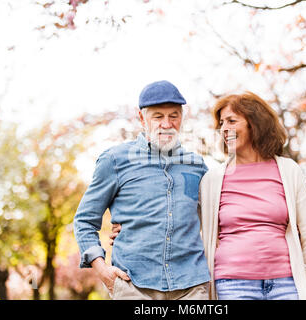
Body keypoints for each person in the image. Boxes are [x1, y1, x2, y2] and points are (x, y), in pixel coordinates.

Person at [73, 80, 211, 300]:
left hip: (192, 288)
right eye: (158, 116)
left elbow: (219, 217)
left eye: (174, 116)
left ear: (182, 118)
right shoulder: (115, 161)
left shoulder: (197, 166)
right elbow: (84, 220)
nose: (167, 124)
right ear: (142, 118)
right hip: (133, 287)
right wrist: (103, 271)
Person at [199, 91, 306, 300]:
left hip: (287, 283)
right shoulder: (212, 179)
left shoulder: (288, 171)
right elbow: (183, 222)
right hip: (233, 285)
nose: (224, 129)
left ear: (254, 124)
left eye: (232, 121)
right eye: (221, 123)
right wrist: (122, 225)